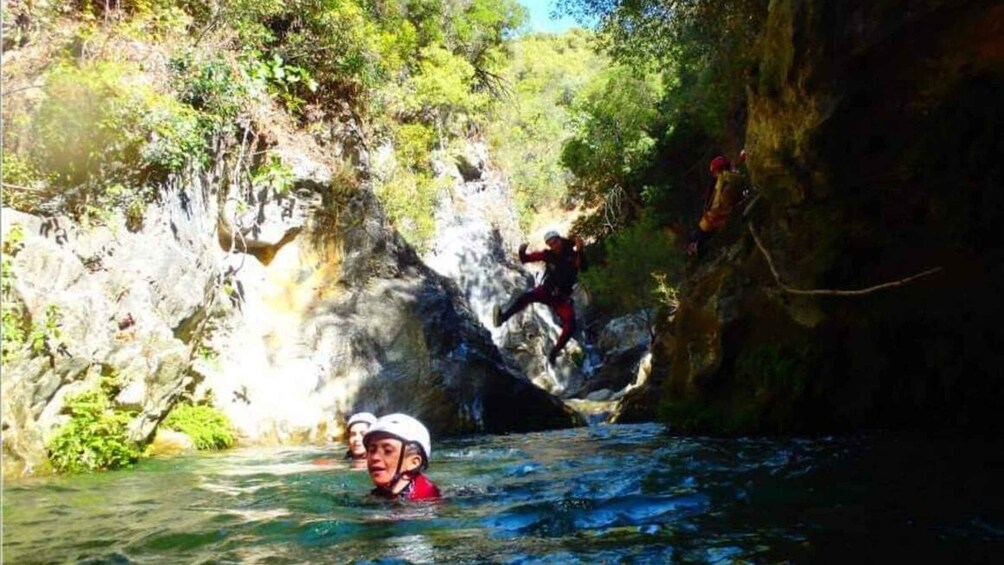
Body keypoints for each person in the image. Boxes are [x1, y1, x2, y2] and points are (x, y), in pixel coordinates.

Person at [492, 229, 587, 364]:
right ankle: (502, 318)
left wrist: (581, 250)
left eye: (555, 241)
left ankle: (554, 353)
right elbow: (525, 259)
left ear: (560, 239)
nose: (554, 245)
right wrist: (522, 251)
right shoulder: (548, 255)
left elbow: (582, 267)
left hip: (561, 298)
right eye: (550, 244)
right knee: (526, 296)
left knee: (571, 326)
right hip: (547, 291)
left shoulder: (573, 253)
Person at [363, 413, 441, 501]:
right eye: (372, 450)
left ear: (413, 462)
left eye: (388, 451)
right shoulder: (381, 492)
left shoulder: (424, 498)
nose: (375, 457)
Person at [687, 155, 746, 257]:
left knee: (700, 235)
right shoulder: (732, 179)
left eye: (715, 172)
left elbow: (720, 206)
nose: (714, 175)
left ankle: (697, 249)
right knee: (700, 234)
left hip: (719, 219)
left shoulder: (725, 183)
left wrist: (709, 217)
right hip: (722, 216)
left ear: (720, 170)